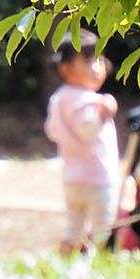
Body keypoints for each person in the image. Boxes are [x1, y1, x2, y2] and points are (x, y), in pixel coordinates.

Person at [44, 31, 120, 254]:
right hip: (97, 177)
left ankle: (66, 258)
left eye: (99, 60)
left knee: (73, 225)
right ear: (66, 69)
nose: (97, 67)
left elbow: (52, 131)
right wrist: (104, 112)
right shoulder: (86, 100)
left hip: (72, 178)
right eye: (88, 61)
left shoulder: (58, 98)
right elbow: (87, 131)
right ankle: (101, 261)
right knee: (103, 226)